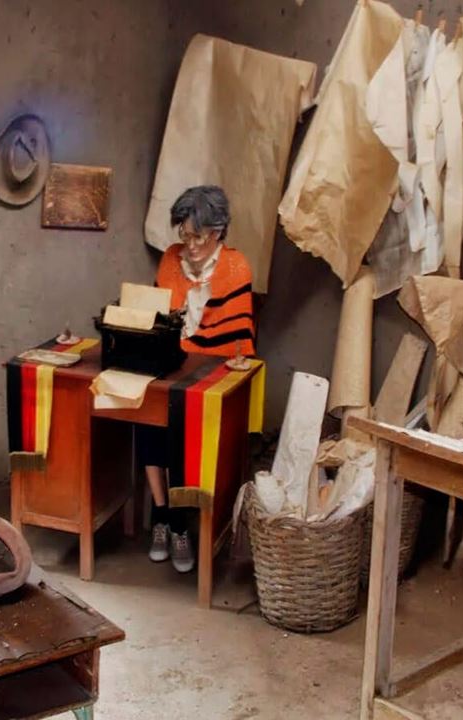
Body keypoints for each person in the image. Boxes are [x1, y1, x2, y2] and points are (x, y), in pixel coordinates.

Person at [140, 185, 256, 572]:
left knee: (181, 424)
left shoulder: (236, 266)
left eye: (199, 237)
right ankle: (163, 515)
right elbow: (157, 322)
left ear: (218, 232)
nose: (189, 245)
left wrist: (189, 357)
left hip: (210, 376)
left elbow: (234, 343)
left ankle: (180, 522)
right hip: (170, 367)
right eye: (184, 234)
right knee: (146, 420)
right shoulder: (170, 260)